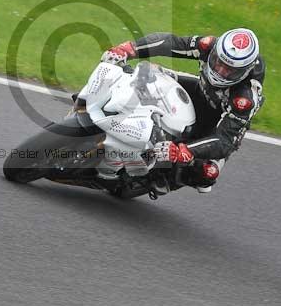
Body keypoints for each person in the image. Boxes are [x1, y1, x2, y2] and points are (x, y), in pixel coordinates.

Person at [100, 28, 265, 192]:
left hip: (218, 122)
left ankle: (161, 179)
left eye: (229, 70)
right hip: (200, 90)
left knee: (208, 174)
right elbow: (171, 43)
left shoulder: (244, 98)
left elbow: (225, 141)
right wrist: (129, 48)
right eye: (217, 62)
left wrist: (185, 151)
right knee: (149, 72)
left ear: (244, 71)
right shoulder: (208, 45)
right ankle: (106, 105)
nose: (220, 71)